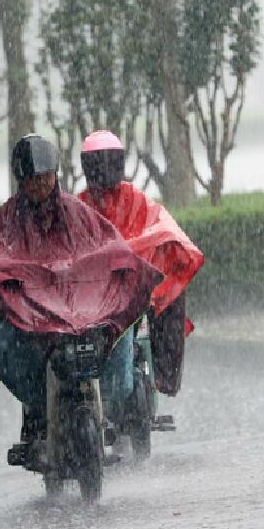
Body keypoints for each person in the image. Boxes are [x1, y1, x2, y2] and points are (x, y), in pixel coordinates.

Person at [0, 134, 161, 447]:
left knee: (120, 332)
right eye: (33, 180)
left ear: (55, 175)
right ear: (21, 180)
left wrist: (121, 269)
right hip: (35, 319)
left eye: (46, 178)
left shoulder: (79, 213)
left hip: (83, 311)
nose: (40, 186)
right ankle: (36, 419)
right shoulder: (6, 221)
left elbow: (108, 246)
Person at [76, 130, 204, 396]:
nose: (103, 169)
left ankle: (163, 377)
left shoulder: (133, 200)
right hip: (93, 296)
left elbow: (162, 229)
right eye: (97, 162)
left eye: (108, 161)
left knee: (172, 296)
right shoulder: (80, 206)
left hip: (132, 289)